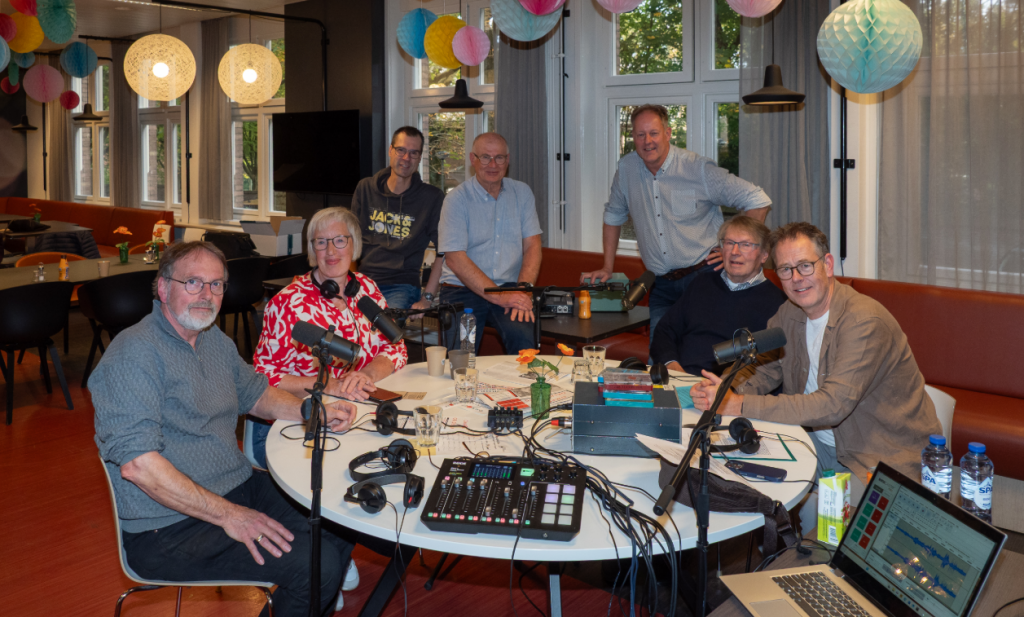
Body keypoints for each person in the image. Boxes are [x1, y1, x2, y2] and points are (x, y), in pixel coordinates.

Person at [93, 241, 358, 617]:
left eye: (216, 284)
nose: (207, 294)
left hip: (235, 487)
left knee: (339, 517)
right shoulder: (134, 354)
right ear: (163, 287)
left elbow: (257, 395)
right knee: (319, 566)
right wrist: (230, 515)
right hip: (167, 526)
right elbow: (139, 466)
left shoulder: (212, 339)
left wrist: (313, 411)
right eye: (193, 282)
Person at [690, 222, 941, 532]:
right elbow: (764, 367)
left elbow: (832, 405)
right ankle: (779, 549)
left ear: (828, 264)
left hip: (876, 456)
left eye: (805, 266)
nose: (796, 278)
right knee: (739, 477)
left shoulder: (863, 320)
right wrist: (724, 389)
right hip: (818, 443)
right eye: (785, 269)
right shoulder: (790, 313)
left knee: (836, 540)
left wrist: (738, 404)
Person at [581, 104, 771, 339]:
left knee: (702, 351)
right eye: (640, 134)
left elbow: (757, 199)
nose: (647, 141)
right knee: (660, 355)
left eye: (654, 133)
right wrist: (607, 267)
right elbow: (613, 215)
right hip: (660, 285)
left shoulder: (697, 168)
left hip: (704, 278)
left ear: (668, 133)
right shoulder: (626, 169)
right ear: (633, 137)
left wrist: (732, 250)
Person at [253, 207, 409, 467]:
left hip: (356, 414)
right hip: (297, 422)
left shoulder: (366, 289)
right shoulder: (288, 304)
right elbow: (263, 377)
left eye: (339, 240)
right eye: (321, 242)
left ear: (354, 244)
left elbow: (395, 348)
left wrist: (366, 374)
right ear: (312, 249)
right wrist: (329, 385)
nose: (331, 251)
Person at [437, 132, 543, 353]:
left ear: (508, 160)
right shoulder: (456, 199)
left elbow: (533, 246)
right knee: (462, 357)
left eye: (499, 158)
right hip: (461, 289)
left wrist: (523, 291)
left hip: (510, 287)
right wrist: (499, 297)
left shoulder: (522, 193)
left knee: (525, 345)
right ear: (472, 159)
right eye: (485, 157)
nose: (493, 165)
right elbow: (455, 259)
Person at [649, 217, 787, 376]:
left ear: (764, 255)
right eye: (729, 243)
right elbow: (665, 331)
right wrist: (672, 366)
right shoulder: (701, 283)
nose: (735, 252)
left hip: (729, 385)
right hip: (681, 377)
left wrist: (726, 386)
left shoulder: (778, 303)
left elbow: (770, 367)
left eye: (745, 245)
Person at [351, 126, 445, 314]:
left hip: (401, 286)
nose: (406, 158)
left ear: (419, 157)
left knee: (382, 326)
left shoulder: (432, 198)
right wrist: (350, 282)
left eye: (413, 153)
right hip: (362, 282)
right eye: (401, 150)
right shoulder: (365, 188)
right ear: (390, 150)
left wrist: (427, 298)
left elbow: (444, 252)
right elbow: (349, 240)